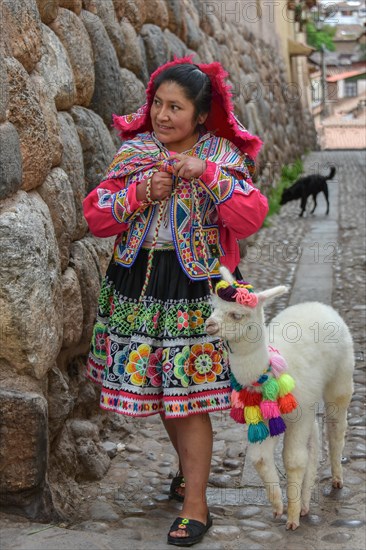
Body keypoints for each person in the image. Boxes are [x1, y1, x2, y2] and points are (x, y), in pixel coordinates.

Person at [83, 56, 268, 547]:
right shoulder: (136, 154)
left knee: (188, 400)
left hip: (195, 291)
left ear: (202, 114)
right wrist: (140, 192)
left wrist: (206, 174)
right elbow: (96, 215)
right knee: (167, 392)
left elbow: (251, 216)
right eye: (157, 105)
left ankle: (196, 505)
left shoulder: (223, 157)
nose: (162, 116)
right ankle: (190, 476)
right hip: (138, 286)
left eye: (176, 107)